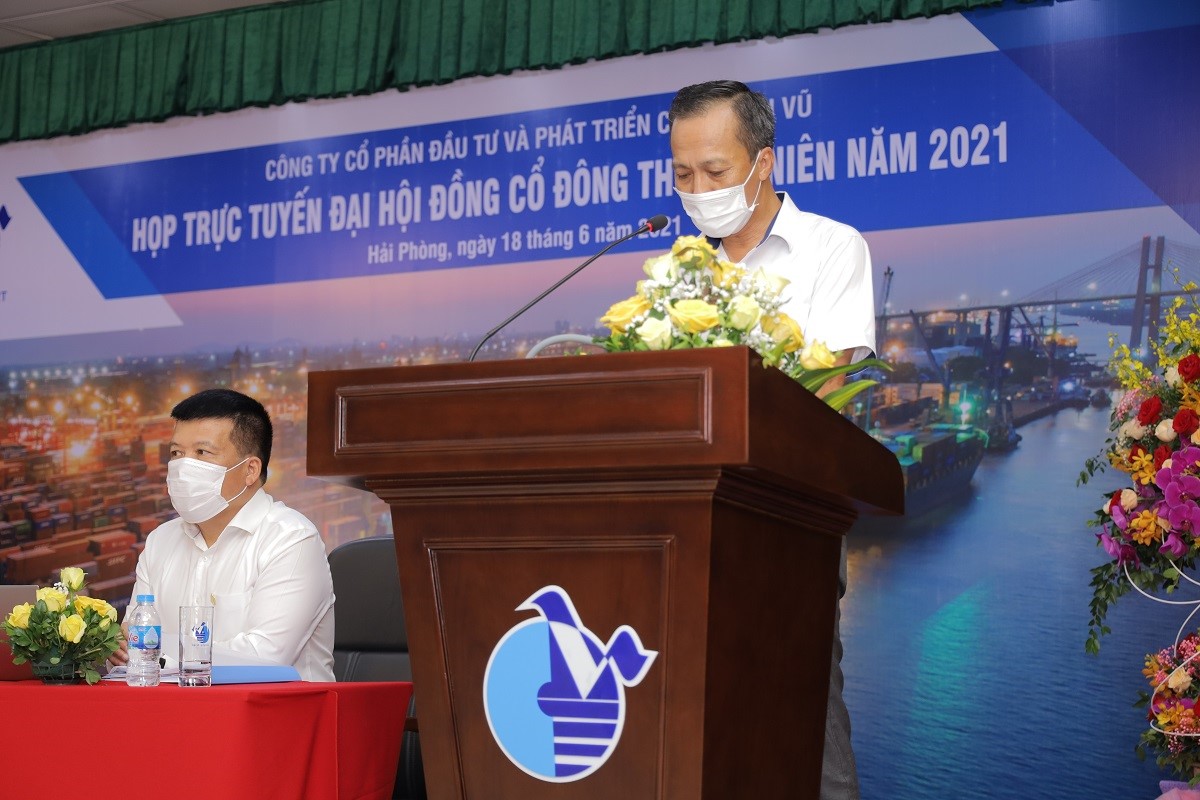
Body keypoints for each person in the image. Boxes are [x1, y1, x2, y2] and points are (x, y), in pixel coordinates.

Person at [669, 79, 875, 799]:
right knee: (701, 740)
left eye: (714, 171)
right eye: (683, 174)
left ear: (764, 162)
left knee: (806, 728)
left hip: (791, 526)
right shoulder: (679, 273)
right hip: (687, 532)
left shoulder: (831, 249)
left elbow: (828, 398)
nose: (699, 191)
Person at [109, 388, 336, 681]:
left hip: (274, 707)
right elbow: (132, 648)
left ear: (250, 470)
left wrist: (157, 653)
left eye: (202, 453)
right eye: (176, 453)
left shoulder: (291, 540)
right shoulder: (160, 541)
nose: (183, 467)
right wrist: (119, 648)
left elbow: (264, 658)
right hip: (173, 706)